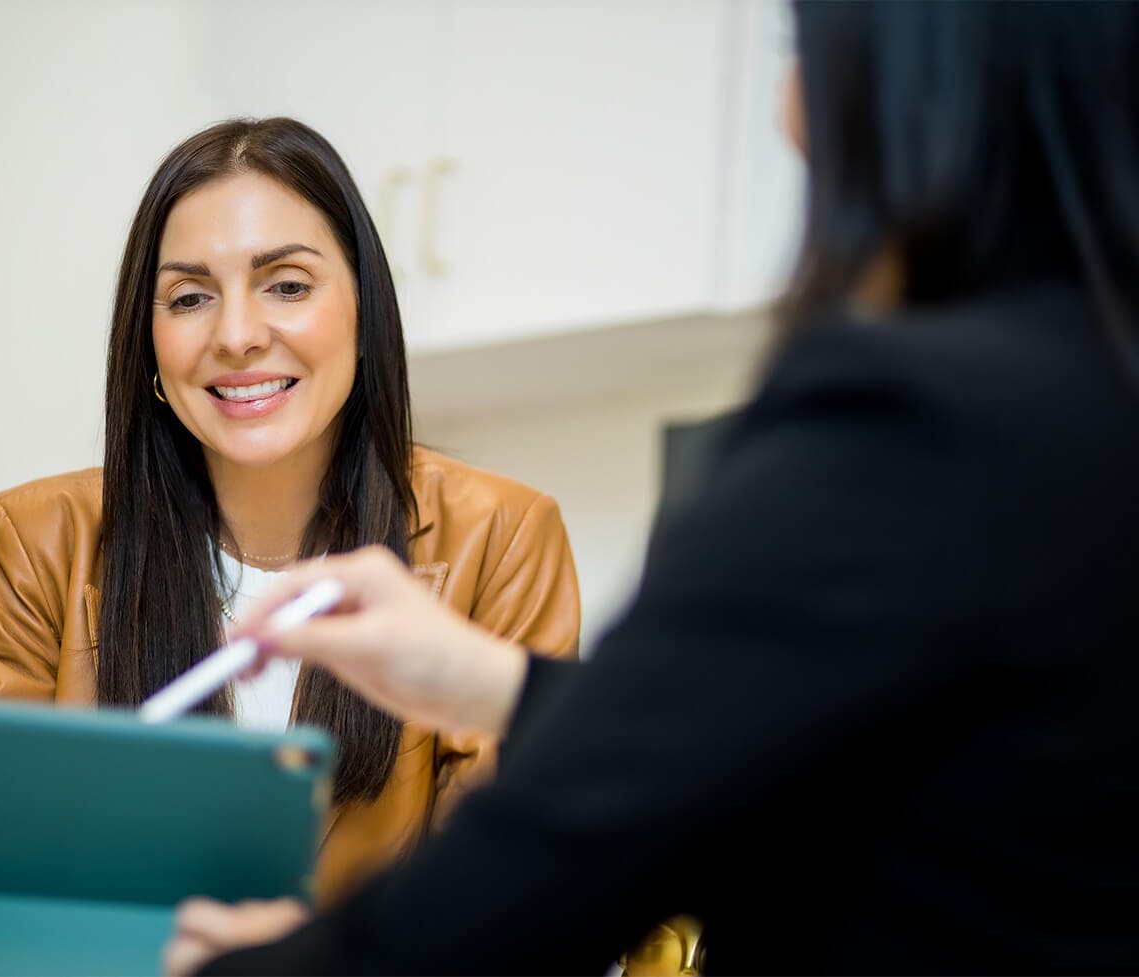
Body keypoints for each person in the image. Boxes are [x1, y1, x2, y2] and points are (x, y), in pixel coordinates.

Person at [164, 2, 1139, 974]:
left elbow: (549, 873)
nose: (786, 110)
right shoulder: (1091, 397)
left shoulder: (905, 417)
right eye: (190, 293)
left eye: (800, 51)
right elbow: (818, 764)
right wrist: (491, 679)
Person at [0, 117, 580, 904]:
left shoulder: (501, 536)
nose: (237, 335)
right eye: (190, 296)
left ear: (365, 313)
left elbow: (506, 894)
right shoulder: (28, 546)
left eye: (288, 285)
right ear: (150, 347)